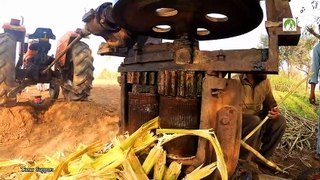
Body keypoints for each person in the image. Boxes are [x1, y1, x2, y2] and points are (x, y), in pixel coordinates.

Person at [236, 73, 286, 169]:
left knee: (280, 120)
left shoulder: (265, 82)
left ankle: (262, 159)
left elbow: (270, 104)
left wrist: (274, 110)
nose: (266, 71)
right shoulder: (236, 81)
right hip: (240, 124)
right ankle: (243, 163)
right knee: (254, 121)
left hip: (257, 121)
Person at [309, 41, 320, 160]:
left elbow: (315, 69)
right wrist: (312, 91)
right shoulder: (318, 47)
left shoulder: (318, 47)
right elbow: (315, 70)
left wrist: (312, 92)